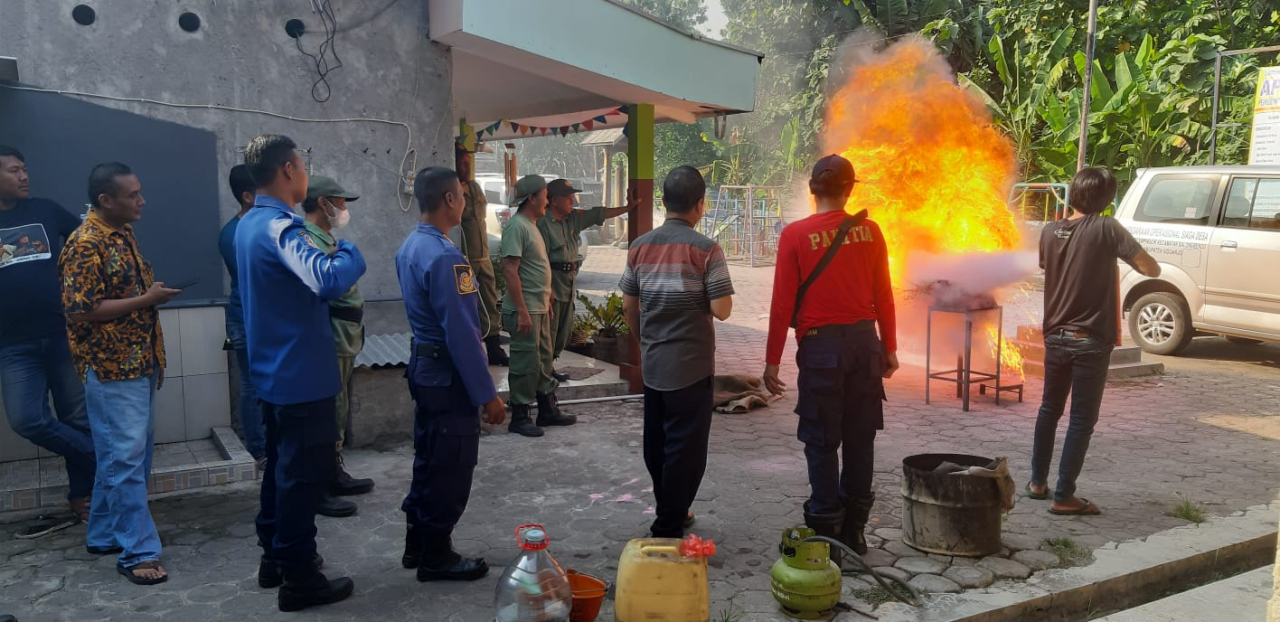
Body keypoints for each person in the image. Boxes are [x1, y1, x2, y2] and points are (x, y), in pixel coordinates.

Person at [237, 134, 364, 612]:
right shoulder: (281, 229)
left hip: (274, 372)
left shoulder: (251, 223)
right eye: (303, 166)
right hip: (301, 375)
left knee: (281, 472)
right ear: (289, 170)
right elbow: (327, 278)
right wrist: (349, 250)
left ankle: (274, 557)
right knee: (301, 479)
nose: (306, 175)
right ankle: (299, 576)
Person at [762, 154, 898, 562]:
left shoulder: (795, 236)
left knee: (821, 442)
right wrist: (890, 347)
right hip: (864, 345)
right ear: (850, 189)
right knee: (861, 438)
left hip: (821, 350)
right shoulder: (871, 232)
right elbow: (884, 295)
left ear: (811, 190)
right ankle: (855, 536)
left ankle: (828, 539)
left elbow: (781, 304)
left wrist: (772, 361)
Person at [60, 162, 179, 585]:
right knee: (125, 461)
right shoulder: (85, 243)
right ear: (105, 200)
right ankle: (137, 553)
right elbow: (80, 310)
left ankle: (105, 533)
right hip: (112, 370)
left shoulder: (121, 234)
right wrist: (147, 298)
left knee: (127, 458)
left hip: (138, 363)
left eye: (140, 192)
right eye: (132, 195)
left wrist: (154, 351)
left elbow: (129, 299)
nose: (141, 200)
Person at [395, 166, 507, 582]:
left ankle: (417, 543)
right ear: (448, 200)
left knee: (428, 459)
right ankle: (436, 555)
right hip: (447, 373)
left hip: (426, 369)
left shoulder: (411, 246)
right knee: (452, 465)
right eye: (462, 195)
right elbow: (463, 334)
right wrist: (487, 395)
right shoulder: (446, 257)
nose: (465, 202)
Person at [1028, 167, 1160, 516]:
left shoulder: (1049, 230)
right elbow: (1151, 269)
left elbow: (1050, 266)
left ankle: (1037, 482)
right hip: (1090, 339)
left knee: (1048, 409)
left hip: (1055, 335)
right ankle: (1064, 496)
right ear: (1105, 199)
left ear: (1073, 194)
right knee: (1081, 420)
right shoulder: (1106, 228)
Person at [620, 166, 734, 538]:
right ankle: (668, 523)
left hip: (655, 366)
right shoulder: (706, 250)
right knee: (686, 450)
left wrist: (645, 342)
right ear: (700, 205)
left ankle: (671, 508)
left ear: (663, 202)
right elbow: (722, 309)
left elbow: (628, 307)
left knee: (657, 443)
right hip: (692, 368)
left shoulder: (639, 247)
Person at [0, 146, 96, 532]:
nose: (23, 176)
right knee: (27, 419)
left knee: (77, 417)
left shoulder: (45, 209)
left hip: (63, 333)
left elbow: (87, 245)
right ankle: (97, 458)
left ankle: (84, 496)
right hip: (12, 345)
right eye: (13, 171)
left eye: (24, 169)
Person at [301, 175, 376, 518]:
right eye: (341, 201)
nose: (344, 208)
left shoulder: (325, 237)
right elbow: (327, 284)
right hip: (331, 333)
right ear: (323, 203)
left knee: (339, 405)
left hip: (345, 332)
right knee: (329, 409)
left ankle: (333, 471)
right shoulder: (307, 238)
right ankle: (319, 482)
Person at [500, 174, 577, 437]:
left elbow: (536, 268)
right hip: (526, 309)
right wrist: (522, 309)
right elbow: (510, 270)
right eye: (544, 195)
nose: (547, 200)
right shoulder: (517, 226)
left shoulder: (533, 224)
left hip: (540, 307)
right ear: (531, 198)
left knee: (543, 360)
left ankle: (547, 410)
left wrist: (548, 299)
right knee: (525, 362)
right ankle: (520, 416)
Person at [537, 179, 637, 380]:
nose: (572, 200)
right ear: (554, 200)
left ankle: (549, 368)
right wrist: (547, 289)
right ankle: (543, 373)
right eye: (568, 197)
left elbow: (598, 214)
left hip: (569, 281)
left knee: (563, 331)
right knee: (549, 329)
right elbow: (540, 259)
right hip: (553, 282)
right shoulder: (544, 223)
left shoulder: (572, 218)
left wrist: (629, 207)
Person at [218, 165, 266, 468]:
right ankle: (259, 450)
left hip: (257, 316)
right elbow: (257, 279)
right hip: (246, 317)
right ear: (247, 196)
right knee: (251, 385)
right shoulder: (235, 234)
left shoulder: (255, 226)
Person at [454, 141, 508, 366]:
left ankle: (494, 347)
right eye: (463, 162)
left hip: (483, 256)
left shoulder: (475, 187)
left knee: (489, 299)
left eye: (469, 162)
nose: (467, 167)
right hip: (464, 259)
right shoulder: (451, 190)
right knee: (465, 304)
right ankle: (470, 350)